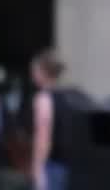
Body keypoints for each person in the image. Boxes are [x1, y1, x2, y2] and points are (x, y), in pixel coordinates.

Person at [28, 48, 71, 190]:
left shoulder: (43, 99)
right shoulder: (65, 98)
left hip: (50, 166)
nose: (32, 75)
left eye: (35, 71)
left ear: (44, 73)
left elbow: (43, 137)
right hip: (64, 165)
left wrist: (38, 169)